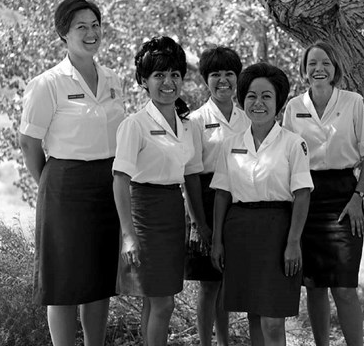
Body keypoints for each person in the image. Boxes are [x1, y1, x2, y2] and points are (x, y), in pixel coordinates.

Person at [18, 0, 125, 346]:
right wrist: (52, 183)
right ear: (64, 33)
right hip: (64, 186)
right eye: (82, 27)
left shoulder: (113, 80)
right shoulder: (47, 83)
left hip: (108, 185)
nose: (91, 33)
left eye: (95, 25)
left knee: (98, 278)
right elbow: (28, 143)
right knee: (62, 282)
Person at [282, 41, 364, 346]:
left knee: (344, 287)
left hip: (343, 196)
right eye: (312, 63)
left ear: (335, 68)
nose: (318, 69)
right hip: (305, 197)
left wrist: (357, 198)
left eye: (325, 63)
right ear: (304, 69)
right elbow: (285, 157)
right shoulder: (294, 107)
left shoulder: (353, 102)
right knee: (314, 285)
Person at [210, 62, 313, 346]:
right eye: (252, 96)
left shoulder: (294, 143)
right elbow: (222, 194)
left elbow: (302, 194)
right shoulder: (230, 144)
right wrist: (217, 240)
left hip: (278, 232)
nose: (258, 103)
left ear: (278, 101)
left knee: (272, 319)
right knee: (253, 313)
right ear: (243, 100)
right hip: (239, 230)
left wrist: (294, 242)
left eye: (266, 96)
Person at [112, 36, 205, 346]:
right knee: (164, 304)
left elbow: (190, 177)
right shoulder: (134, 125)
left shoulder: (187, 126)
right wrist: (128, 235)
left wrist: (199, 224)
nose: (168, 82)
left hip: (172, 212)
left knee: (154, 302)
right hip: (143, 214)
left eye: (175, 74)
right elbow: (120, 180)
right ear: (144, 81)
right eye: (159, 75)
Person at [184, 46, 249, 346]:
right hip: (206, 203)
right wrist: (200, 224)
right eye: (215, 75)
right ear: (205, 80)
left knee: (230, 284)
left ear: (237, 78)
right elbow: (191, 176)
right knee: (209, 285)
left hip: (241, 203)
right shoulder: (195, 121)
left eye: (229, 74)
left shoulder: (249, 118)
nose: (223, 80)